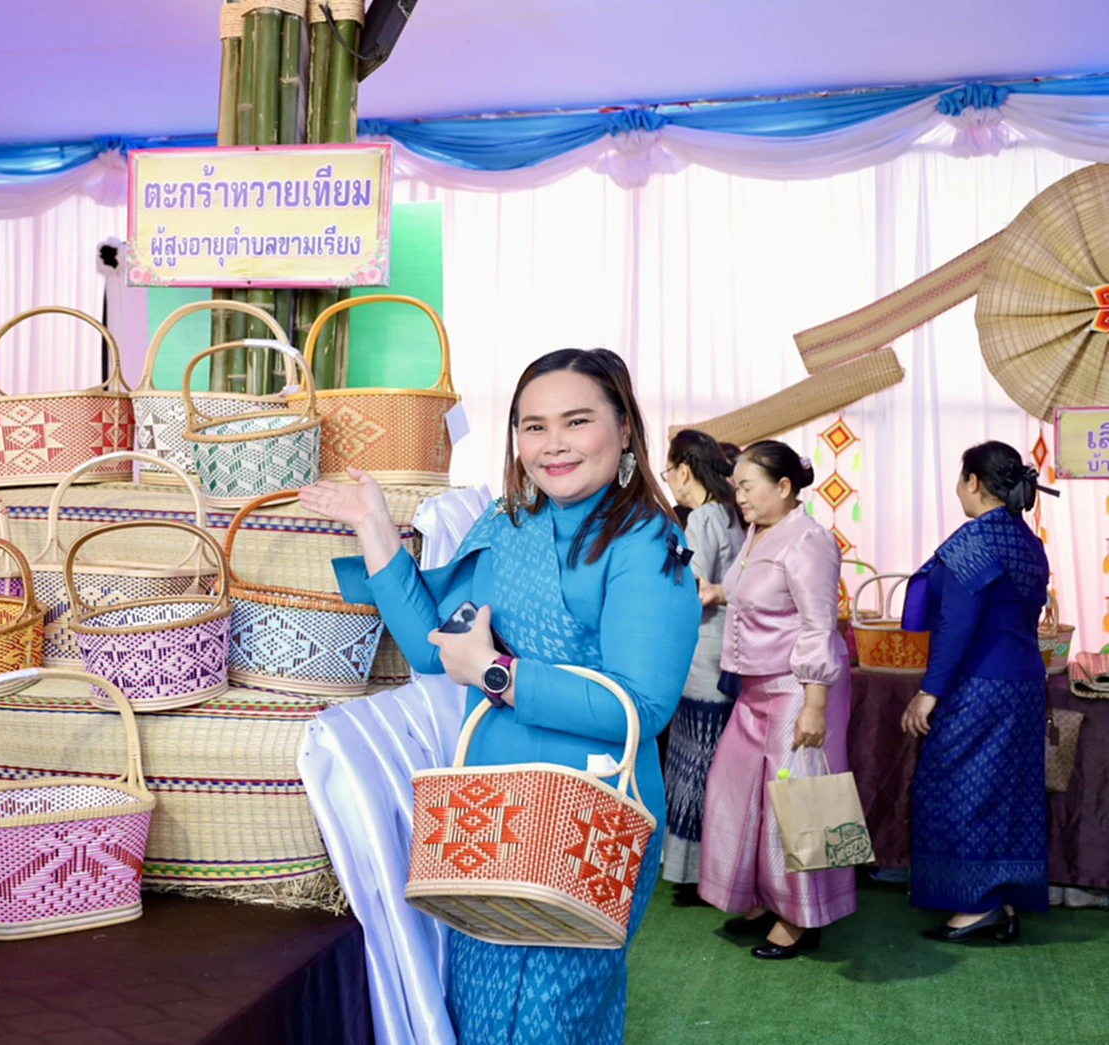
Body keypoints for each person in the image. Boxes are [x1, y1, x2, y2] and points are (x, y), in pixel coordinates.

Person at [301, 348, 700, 1043]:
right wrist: (373, 527)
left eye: (576, 421)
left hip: (590, 815)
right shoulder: (509, 525)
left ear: (624, 428)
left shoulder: (645, 543)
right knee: (479, 1010)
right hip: (487, 811)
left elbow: (639, 707)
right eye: (533, 426)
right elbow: (434, 647)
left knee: (553, 1019)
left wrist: (498, 674)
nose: (553, 444)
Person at [697, 440, 856, 958]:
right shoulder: (758, 532)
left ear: (784, 487)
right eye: (736, 487)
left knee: (800, 799)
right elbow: (757, 592)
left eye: (747, 486)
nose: (738, 496)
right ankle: (765, 897)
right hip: (754, 687)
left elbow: (817, 625)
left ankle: (804, 916)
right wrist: (717, 591)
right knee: (735, 789)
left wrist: (815, 706)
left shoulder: (809, 540)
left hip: (798, 686)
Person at [899, 441, 1050, 942]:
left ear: (973, 482)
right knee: (1007, 794)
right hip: (1024, 684)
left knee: (954, 786)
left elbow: (957, 624)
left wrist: (929, 691)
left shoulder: (974, 541)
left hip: (979, 686)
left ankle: (975, 906)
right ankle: (1001, 897)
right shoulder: (1027, 541)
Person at [660, 429, 746, 904]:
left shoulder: (703, 519)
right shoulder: (730, 514)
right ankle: (715, 867)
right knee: (713, 762)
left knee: (695, 761)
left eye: (668, 470)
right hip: (725, 652)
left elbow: (692, 589)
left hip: (704, 654)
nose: (668, 479)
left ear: (684, 471)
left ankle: (693, 872)